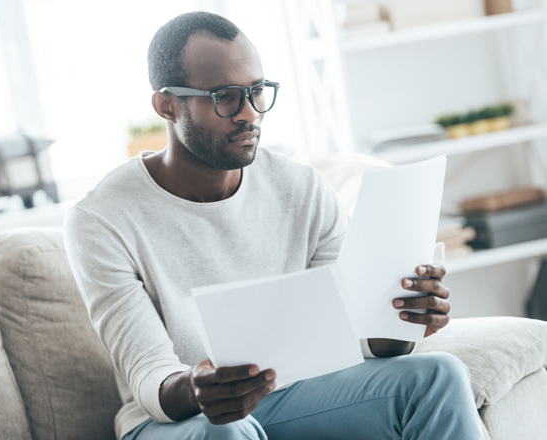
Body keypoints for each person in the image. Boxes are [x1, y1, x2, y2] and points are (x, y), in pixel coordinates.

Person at [63, 11, 484, 440]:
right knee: (227, 431)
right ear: (167, 105)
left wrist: (402, 320)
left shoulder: (301, 188)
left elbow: (351, 335)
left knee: (438, 374)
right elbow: (150, 376)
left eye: (257, 91)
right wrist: (198, 387)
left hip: (293, 397)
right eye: (225, 96)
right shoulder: (100, 221)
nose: (250, 114)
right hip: (174, 424)